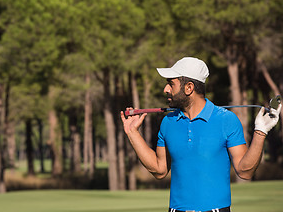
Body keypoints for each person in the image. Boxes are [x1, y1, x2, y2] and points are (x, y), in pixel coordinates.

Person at [120, 57, 281, 212]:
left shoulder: (227, 120)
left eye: (171, 84)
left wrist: (260, 132)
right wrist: (132, 132)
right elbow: (159, 169)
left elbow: (245, 171)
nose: (166, 89)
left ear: (189, 87)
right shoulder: (168, 122)